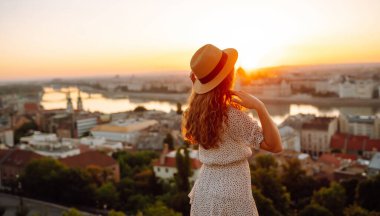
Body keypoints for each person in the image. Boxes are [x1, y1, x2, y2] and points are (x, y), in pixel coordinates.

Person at [182, 44, 282, 216]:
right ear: (228, 78)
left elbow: (204, 97)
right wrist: (260, 107)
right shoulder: (230, 116)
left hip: (205, 189)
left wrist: (199, 87)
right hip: (231, 193)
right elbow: (275, 146)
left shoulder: (194, 111)